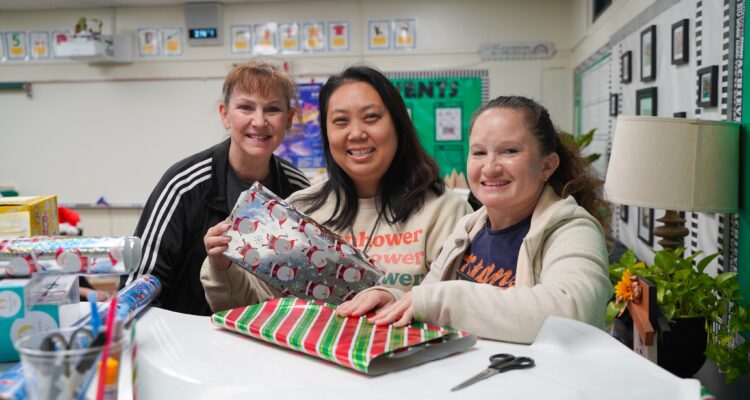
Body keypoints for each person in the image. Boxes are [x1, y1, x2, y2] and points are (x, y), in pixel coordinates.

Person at [336, 95, 613, 344]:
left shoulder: (572, 228)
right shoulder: (469, 227)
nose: (490, 167)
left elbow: (572, 312)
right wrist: (394, 299)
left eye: (510, 151)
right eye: (479, 152)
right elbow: (429, 295)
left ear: (547, 165)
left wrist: (443, 300)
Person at [201, 65, 473, 312]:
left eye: (371, 117)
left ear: (398, 125)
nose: (355, 133)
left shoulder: (446, 211)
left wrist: (395, 299)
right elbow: (256, 306)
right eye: (341, 121)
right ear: (327, 133)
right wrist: (221, 265)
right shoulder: (301, 210)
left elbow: (462, 305)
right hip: (316, 363)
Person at [125, 61, 310, 315]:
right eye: (246, 107)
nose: (259, 121)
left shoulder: (298, 190)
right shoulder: (184, 184)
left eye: (273, 109)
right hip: (186, 340)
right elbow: (139, 284)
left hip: (268, 340)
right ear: (225, 115)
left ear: (288, 120)